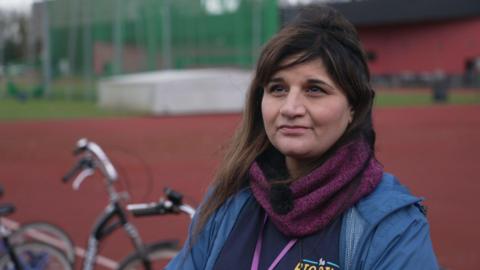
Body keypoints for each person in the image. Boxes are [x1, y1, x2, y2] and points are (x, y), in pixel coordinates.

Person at [167, 5, 439, 270]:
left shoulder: (390, 226)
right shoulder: (228, 200)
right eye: (278, 89)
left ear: (353, 108)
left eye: (314, 90)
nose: (290, 108)